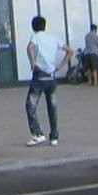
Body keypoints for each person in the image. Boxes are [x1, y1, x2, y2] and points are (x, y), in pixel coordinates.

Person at [23, 15, 67, 146]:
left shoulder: (35, 37)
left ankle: (37, 133)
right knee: (52, 107)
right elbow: (70, 50)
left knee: (30, 105)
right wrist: (60, 65)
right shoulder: (53, 38)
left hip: (39, 76)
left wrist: (32, 63)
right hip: (51, 77)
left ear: (33, 27)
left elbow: (29, 47)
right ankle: (54, 137)